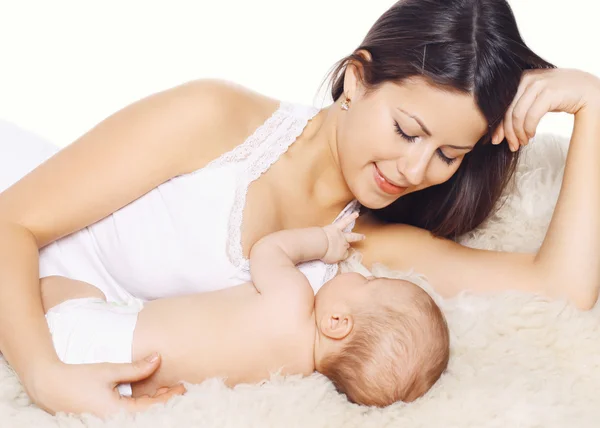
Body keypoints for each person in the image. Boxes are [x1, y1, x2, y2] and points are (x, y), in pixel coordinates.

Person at [0, 0, 598, 417]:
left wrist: (594, 105)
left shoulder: (366, 247)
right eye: (406, 130)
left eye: (448, 154)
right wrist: (44, 375)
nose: (415, 172)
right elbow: (11, 220)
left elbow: (560, 291)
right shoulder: (214, 119)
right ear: (357, 80)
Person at [40, 213, 450, 408]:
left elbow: (268, 251)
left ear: (337, 322)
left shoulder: (293, 302)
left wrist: (323, 242)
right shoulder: (292, 376)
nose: (358, 273)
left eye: (367, 282)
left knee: (45, 285)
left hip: (102, 336)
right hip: (130, 384)